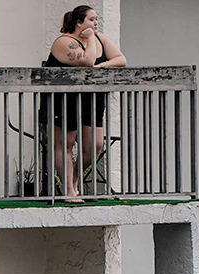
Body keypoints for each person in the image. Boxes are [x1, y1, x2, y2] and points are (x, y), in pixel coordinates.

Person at [42, 5, 126, 199]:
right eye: (91, 19)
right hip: (65, 99)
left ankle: (73, 180)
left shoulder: (99, 38)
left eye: (96, 19)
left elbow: (121, 59)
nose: (96, 23)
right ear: (79, 22)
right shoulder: (65, 42)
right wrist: (88, 39)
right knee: (66, 143)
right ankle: (70, 191)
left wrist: (102, 65)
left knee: (95, 144)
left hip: (92, 99)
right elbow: (87, 62)